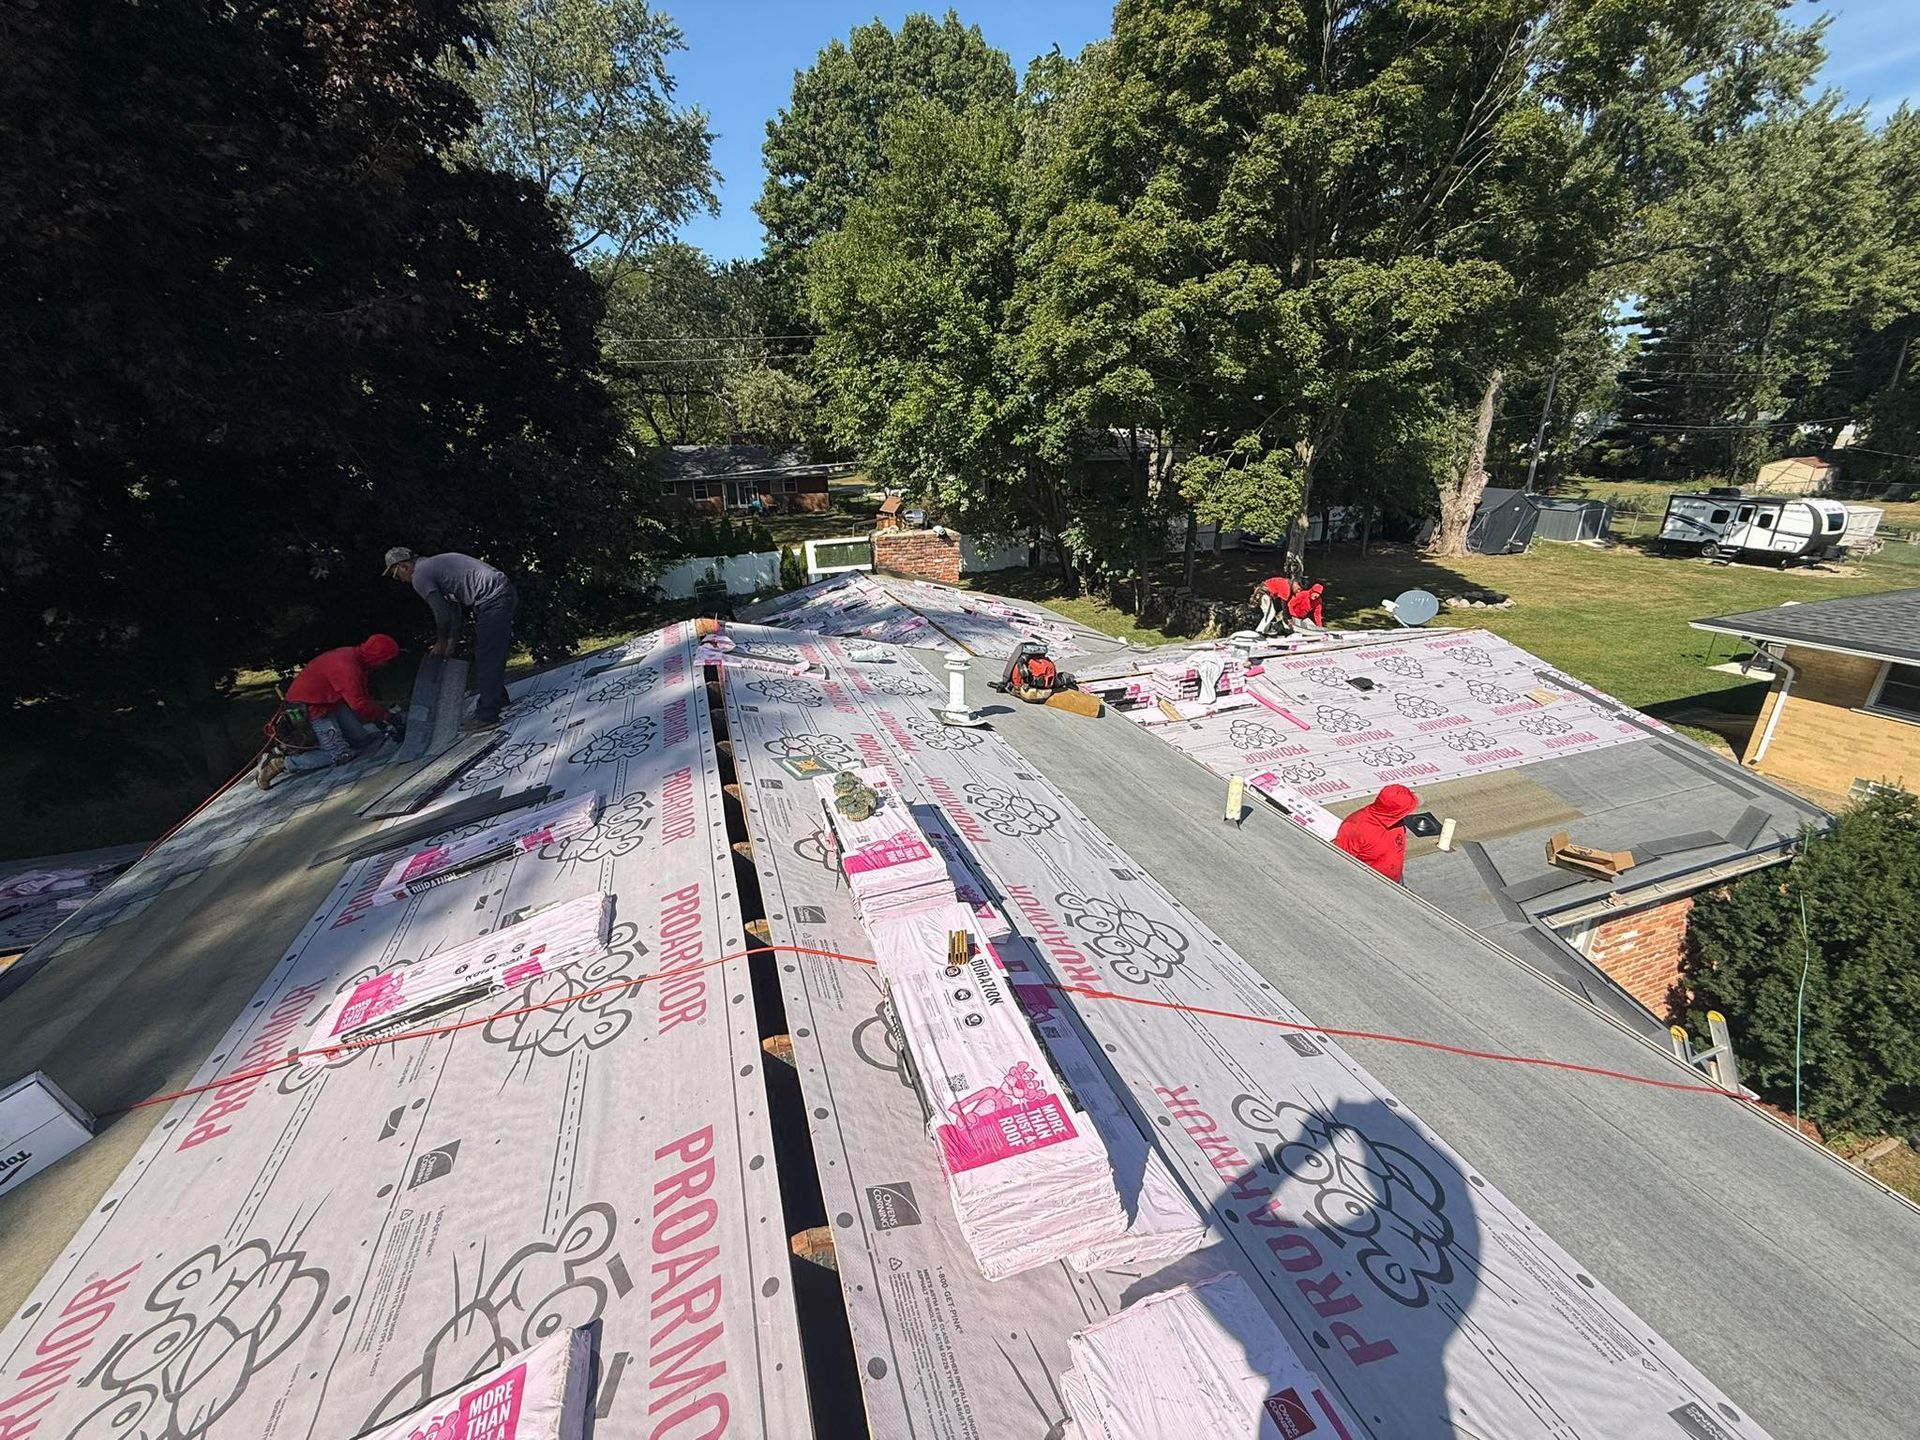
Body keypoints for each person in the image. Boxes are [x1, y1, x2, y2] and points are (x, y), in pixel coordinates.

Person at [383, 546, 518, 731]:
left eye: (396, 575)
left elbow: (442, 612)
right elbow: (453, 608)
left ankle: (488, 715)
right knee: (488, 651)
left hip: (494, 598)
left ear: (404, 566)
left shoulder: (419, 576)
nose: (400, 580)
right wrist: (452, 639)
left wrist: (441, 642)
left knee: (487, 656)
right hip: (498, 593)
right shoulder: (432, 566)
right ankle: (497, 698)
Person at [259, 633, 402, 788]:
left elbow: (361, 694)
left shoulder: (356, 658)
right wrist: (386, 716)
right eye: (387, 659)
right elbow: (358, 704)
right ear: (378, 656)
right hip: (311, 707)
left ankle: (286, 750)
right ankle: (280, 763)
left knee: (362, 741)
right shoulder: (348, 667)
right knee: (341, 754)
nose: (387, 664)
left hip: (329, 702)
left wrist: (378, 718)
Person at [1333, 784, 1419, 883]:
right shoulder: (1354, 827)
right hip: (1371, 886)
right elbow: (1341, 863)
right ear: (1395, 812)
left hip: (1396, 880)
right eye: (1407, 810)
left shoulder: (1397, 819)